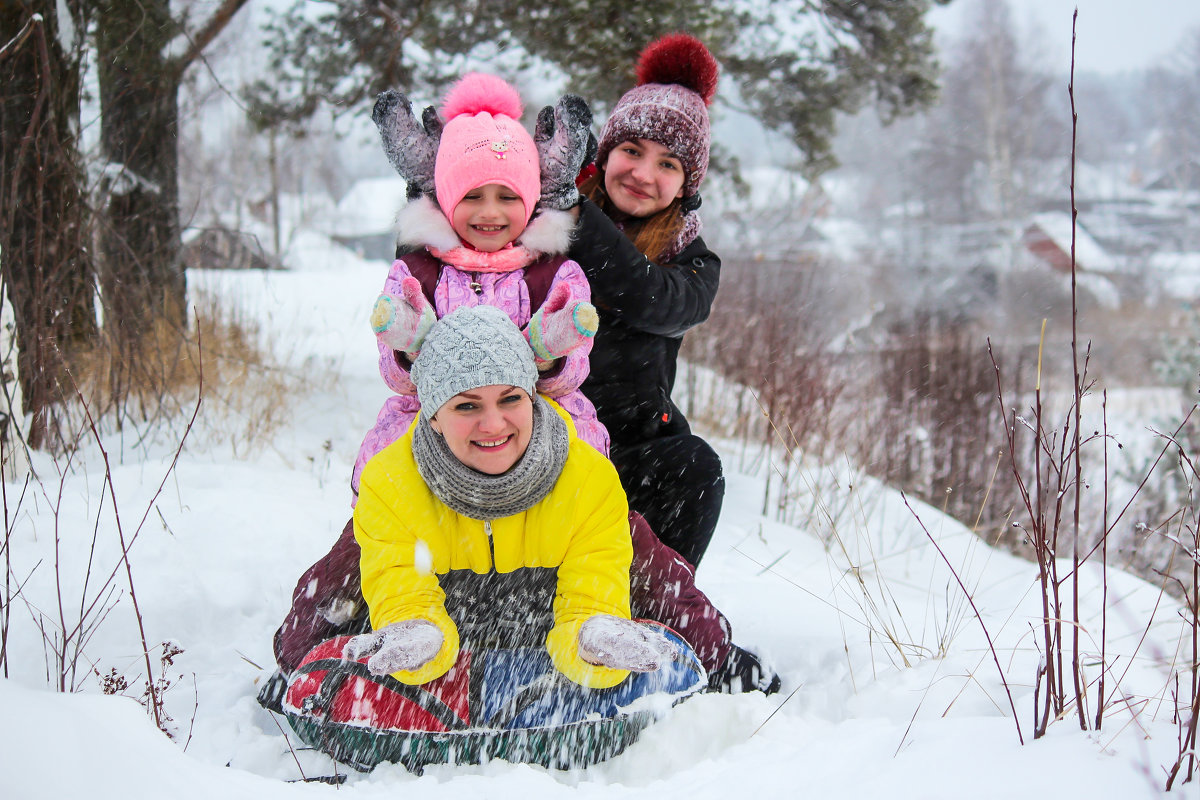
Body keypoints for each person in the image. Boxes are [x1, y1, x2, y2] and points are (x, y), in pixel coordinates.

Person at [348, 305, 678, 687]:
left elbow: (595, 587)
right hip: (451, 670)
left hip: (543, 666)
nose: (493, 424)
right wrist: (415, 629)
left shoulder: (588, 479)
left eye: (510, 399)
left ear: (533, 399)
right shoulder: (389, 484)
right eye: (467, 405)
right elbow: (398, 584)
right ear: (434, 415)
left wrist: (592, 635)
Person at [353, 71, 606, 503]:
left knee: (580, 462)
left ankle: (570, 540)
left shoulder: (552, 274)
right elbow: (396, 375)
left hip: (530, 407)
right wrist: (410, 347)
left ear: (529, 201)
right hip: (437, 410)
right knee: (390, 468)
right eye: (472, 196)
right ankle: (380, 542)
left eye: (508, 197)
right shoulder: (418, 270)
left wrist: (547, 356)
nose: (490, 212)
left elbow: (573, 369)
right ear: (447, 198)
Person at [562, 33, 725, 570]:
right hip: (535, 441)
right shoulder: (545, 222)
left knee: (696, 468)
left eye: (668, 165)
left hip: (628, 456)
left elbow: (647, 297)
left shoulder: (694, 265)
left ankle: (658, 617)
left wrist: (574, 215)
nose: (643, 174)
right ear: (606, 154)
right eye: (631, 151)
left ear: (686, 185)